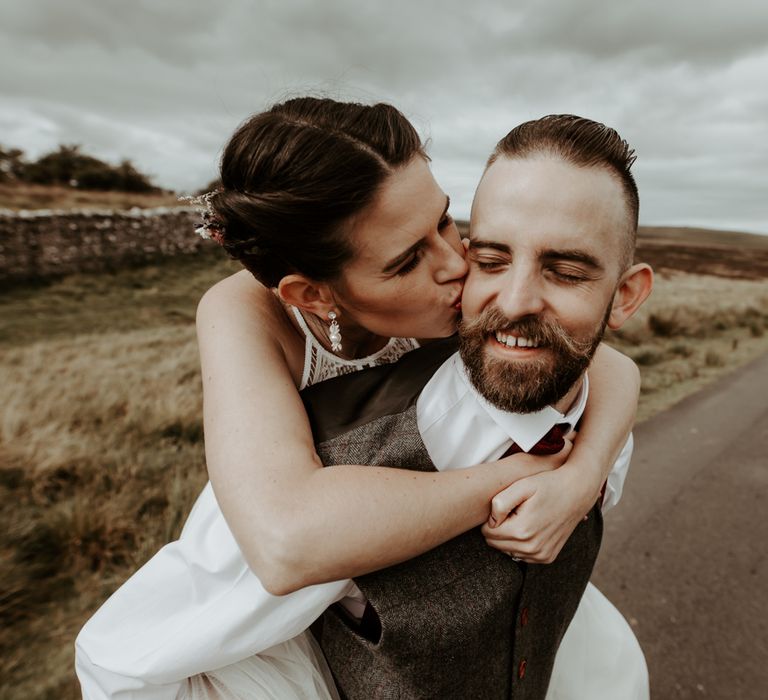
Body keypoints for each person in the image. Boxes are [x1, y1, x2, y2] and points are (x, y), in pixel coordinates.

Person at [75, 100, 643, 699]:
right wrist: (522, 473)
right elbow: (283, 541)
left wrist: (581, 476)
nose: (457, 266)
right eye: (406, 262)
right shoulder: (247, 312)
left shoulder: (468, 290)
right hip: (283, 606)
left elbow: (604, 356)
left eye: (447, 222)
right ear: (314, 294)